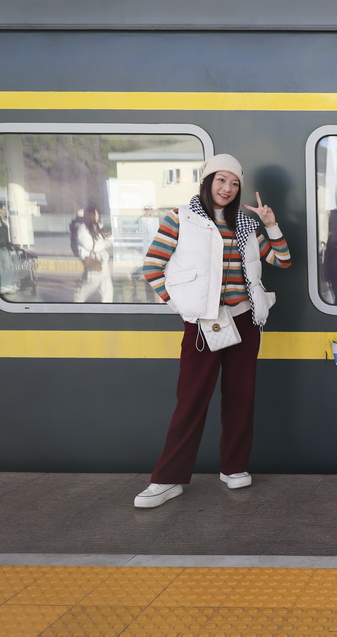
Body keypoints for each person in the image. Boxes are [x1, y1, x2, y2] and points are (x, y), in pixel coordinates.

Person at [134, 154, 291, 508]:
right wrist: (183, 307)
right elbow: (152, 266)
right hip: (203, 324)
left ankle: (233, 468)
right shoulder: (181, 218)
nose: (228, 188)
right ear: (207, 181)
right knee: (191, 401)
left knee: (240, 398)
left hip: (245, 320)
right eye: (221, 180)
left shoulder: (247, 224)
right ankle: (168, 479)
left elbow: (281, 260)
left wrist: (271, 224)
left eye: (234, 183)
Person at [72, 204, 113, 303]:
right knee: (91, 285)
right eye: (96, 214)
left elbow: (108, 242)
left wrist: (109, 237)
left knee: (107, 288)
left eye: (98, 214)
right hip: (93, 262)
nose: (98, 216)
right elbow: (92, 247)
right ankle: (77, 301)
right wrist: (105, 242)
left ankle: (107, 309)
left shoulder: (98, 226)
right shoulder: (82, 230)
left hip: (103, 262)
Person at [0, 202, 16, 295]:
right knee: (6, 267)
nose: (4, 210)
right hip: (1, 247)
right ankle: (4, 286)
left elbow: (5, 235)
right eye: (2, 208)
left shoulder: (2, 219)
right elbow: (1, 235)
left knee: (9, 267)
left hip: (5, 246)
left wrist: (9, 244)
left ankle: (8, 284)